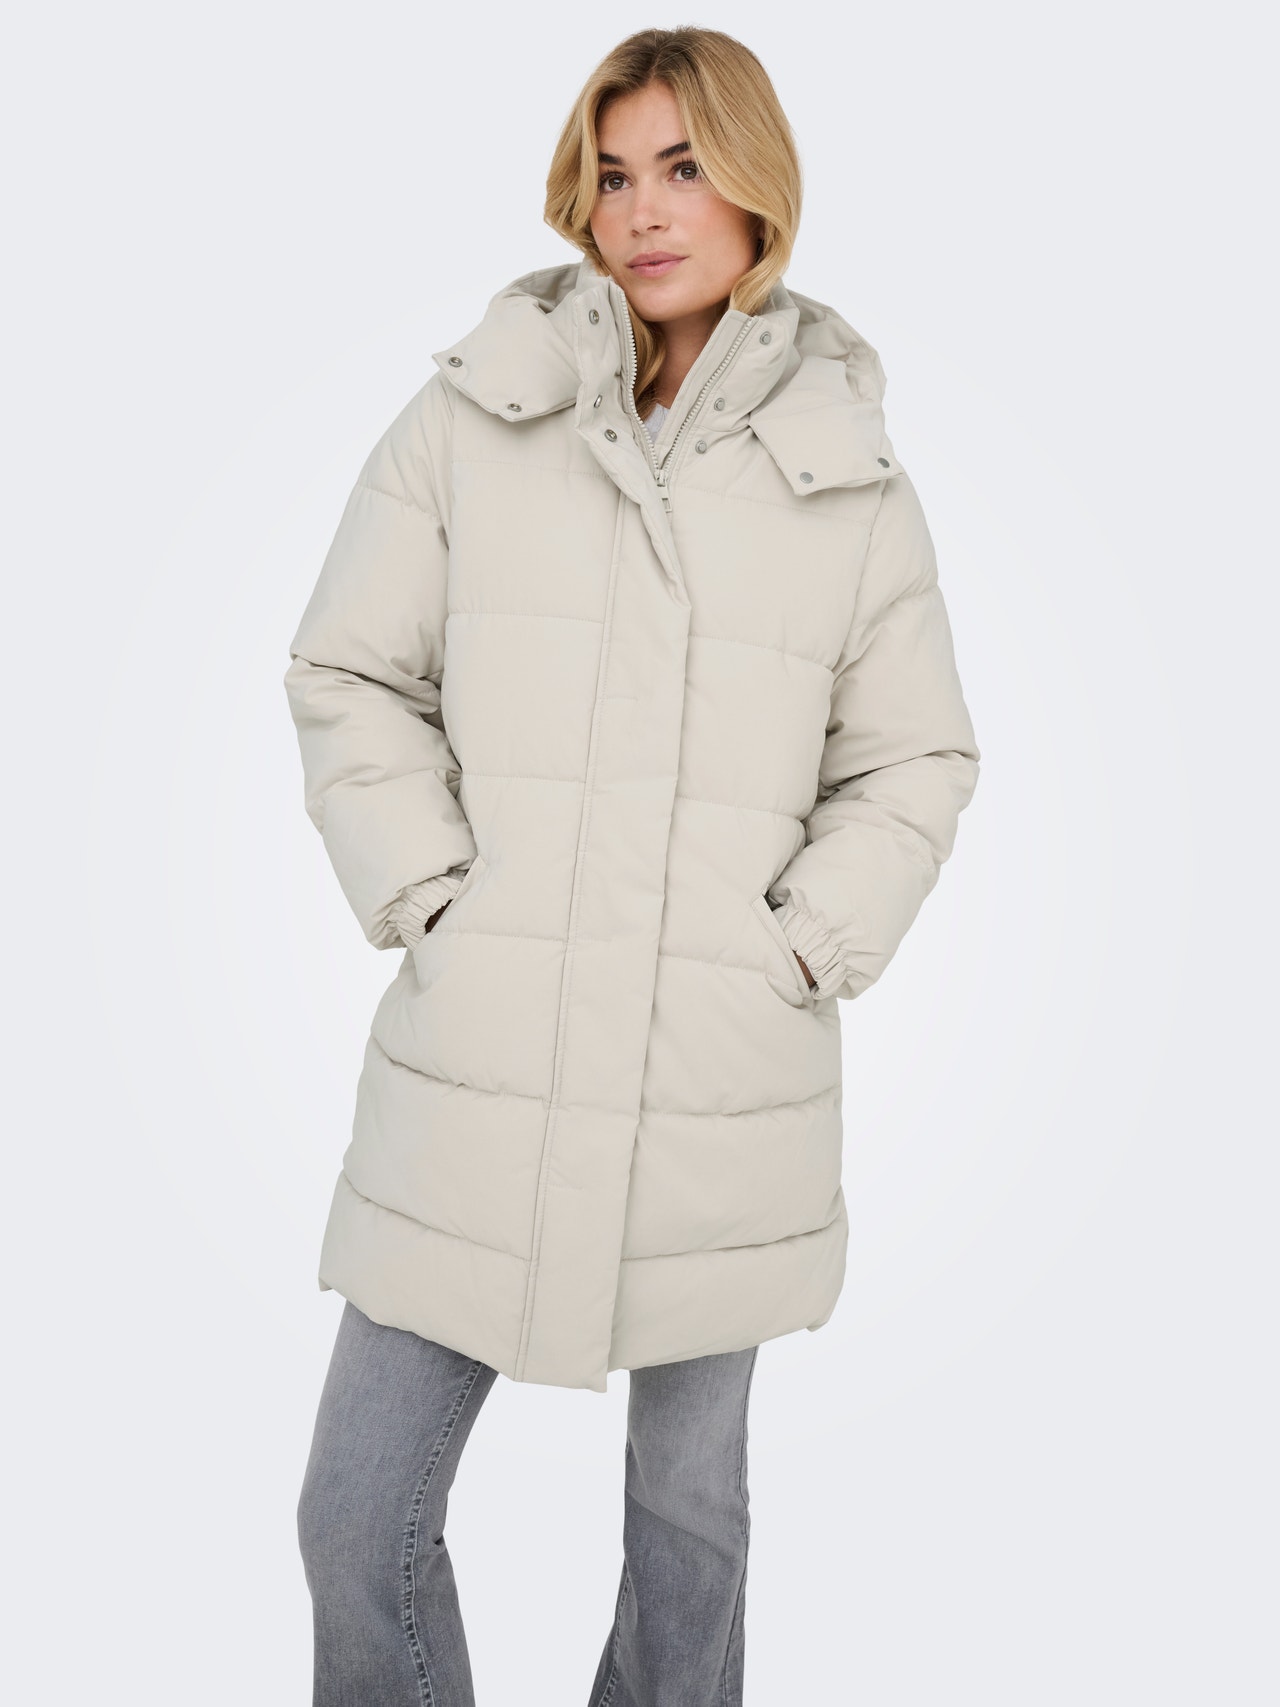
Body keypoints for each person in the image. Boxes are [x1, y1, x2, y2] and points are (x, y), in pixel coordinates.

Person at [283, 25, 981, 1705]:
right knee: (356, 1511)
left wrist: (798, 945)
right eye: (611, 173)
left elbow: (914, 758)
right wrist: (434, 895)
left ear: (757, 187)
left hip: (721, 1074)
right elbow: (349, 668)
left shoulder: (849, 476)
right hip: (482, 1051)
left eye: (682, 166)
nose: (643, 210)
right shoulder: (474, 415)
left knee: (689, 1527)